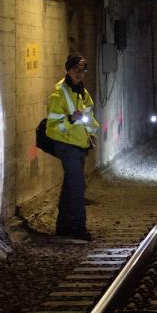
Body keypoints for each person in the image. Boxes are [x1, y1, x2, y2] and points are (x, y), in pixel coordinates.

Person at [46, 54, 100, 242]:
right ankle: (78, 227)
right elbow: (52, 127)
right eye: (76, 69)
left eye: (83, 70)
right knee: (77, 185)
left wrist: (91, 133)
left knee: (70, 186)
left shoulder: (82, 93)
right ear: (68, 69)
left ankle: (63, 225)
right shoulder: (60, 94)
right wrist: (69, 119)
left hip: (79, 144)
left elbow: (88, 116)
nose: (79, 73)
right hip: (66, 145)